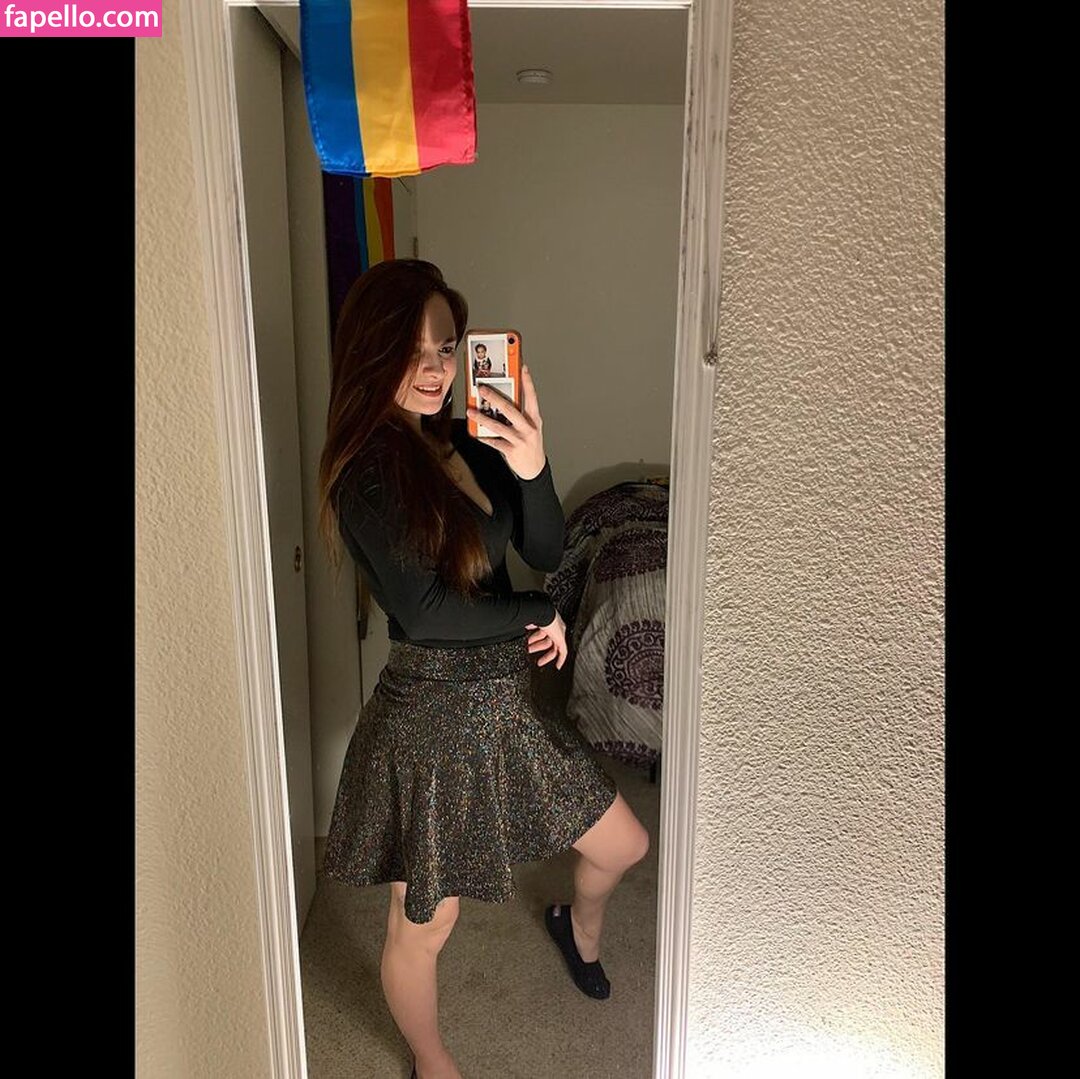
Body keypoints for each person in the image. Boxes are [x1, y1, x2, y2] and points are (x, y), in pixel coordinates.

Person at [316, 259, 650, 1079]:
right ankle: (432, 1060)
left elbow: (545, 546)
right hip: (429, 716)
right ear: (372, 350)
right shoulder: (367, 467)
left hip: (506, 701)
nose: (436, 368)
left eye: (446, 347)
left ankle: (575, 925)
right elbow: (429, 611)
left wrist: (532, 462)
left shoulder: (463, 435)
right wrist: (536, 611)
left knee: (624, 842)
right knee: (426, 920)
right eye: (413, 349)